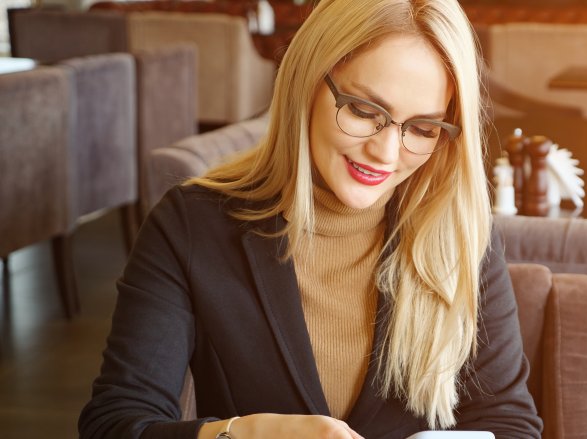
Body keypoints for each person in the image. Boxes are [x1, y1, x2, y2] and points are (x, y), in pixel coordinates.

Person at [78, 0, 543, 438]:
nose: (385, 152)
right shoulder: (190, 225)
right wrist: (240, 433)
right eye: (364, 110)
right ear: (307, 81)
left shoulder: (460, 236)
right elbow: (116, 422)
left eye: (421, 128)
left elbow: (509, 422)